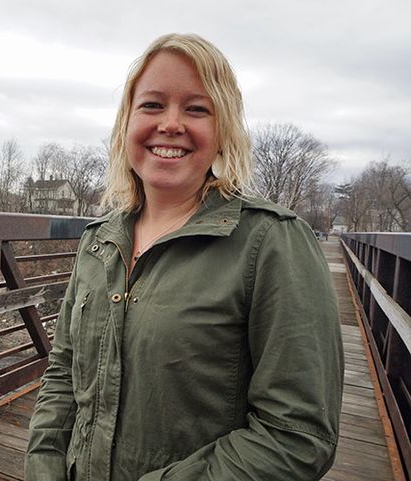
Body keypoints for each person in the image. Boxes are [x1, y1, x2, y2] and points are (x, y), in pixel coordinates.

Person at [24, 33, 343, 481]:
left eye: (196, 109)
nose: (170, 124)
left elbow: (296, 434)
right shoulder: (99, 241)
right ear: (126, 124)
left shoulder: (272, 242)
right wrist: (43, 467)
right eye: (152, 105)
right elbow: (62, 373)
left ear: (223, 129)